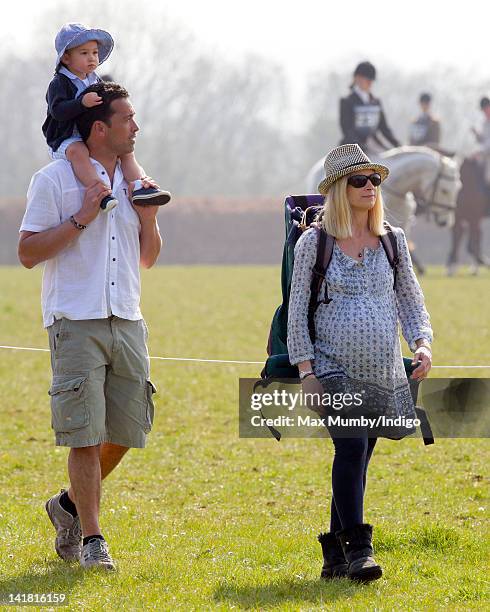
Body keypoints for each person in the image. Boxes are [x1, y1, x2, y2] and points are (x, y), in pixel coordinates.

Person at [19, 81, 162, 571]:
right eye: (128, 119)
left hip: (128, 318)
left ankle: (66, 506)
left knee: (128, 428)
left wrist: (149, 219)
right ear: (100, 128)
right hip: (74, 321)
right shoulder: (54, 180)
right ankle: (93, 539)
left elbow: (148, 258)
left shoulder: (138, 181)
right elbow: (27, 253)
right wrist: (81, 218)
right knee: (83, 434)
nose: (136, 127)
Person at [287, 143, 433, 582]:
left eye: (374, 180)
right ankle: (360, 550)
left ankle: (334, 555)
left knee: (360, 457)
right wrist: (307, 372)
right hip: (332, 369)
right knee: (350, 447)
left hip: (384, 372)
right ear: (337, 189)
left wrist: (422, 342)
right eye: (358, 180)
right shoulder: (315, 243)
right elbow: (298, 311)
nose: (370, 187)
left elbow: (410, 299)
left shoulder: (393, 241)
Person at [42, 22, 171, 211]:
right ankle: (100, 192)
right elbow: (58, 111)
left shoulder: (94, 79)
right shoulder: (59, 83)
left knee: (125, 151)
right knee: (79, 153)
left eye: (94, 53)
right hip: (66, 136)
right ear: (67, 58)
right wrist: (81, 103)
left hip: (90, 133)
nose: (91, 58)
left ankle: (139, 186)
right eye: (84, 53)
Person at [339, 62, 400, 155]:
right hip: (352, 148)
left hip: (374, 145)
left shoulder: (376, 102)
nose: (370, 83)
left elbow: (384, 128)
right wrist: (361, 147)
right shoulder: (347, 101)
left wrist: (398, 145)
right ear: (357, 78)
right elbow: (347, 130)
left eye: (372, 80)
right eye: (368, 80)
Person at [471, 96, 490, 193]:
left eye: (486, 109)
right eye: (483, 110)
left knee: (488, 176)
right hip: (485, 155)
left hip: (488, 156)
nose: (485, 112)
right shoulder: (485, 123)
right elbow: (483, 140)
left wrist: (479, 152)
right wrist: (477, 134)